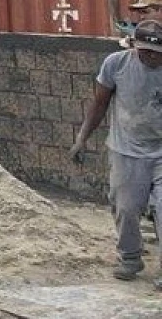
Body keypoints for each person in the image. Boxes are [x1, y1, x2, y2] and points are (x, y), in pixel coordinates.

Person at [72, 19, 162, 282]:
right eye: (145, 51)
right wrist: (82, 138)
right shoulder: (116, 64)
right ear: (135, 46)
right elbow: (99, 104)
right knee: (126, 207)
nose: (151, 57)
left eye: (157, 53)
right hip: (127, 151)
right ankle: (130, 258)